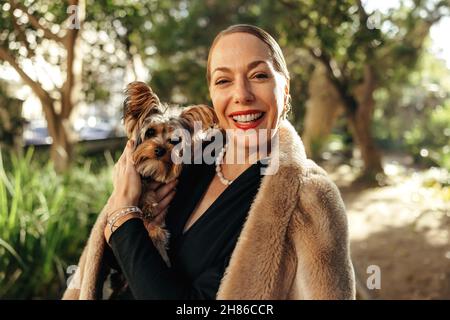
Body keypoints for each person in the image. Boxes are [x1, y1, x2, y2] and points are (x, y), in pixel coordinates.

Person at [63, 24, 355, 300]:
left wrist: (124, 216)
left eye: (259, 75)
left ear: (286, 89)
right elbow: (109, 260)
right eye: (224, 80)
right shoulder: (186, 162)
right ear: (213, 94)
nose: (241, 94)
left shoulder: (309, 199)